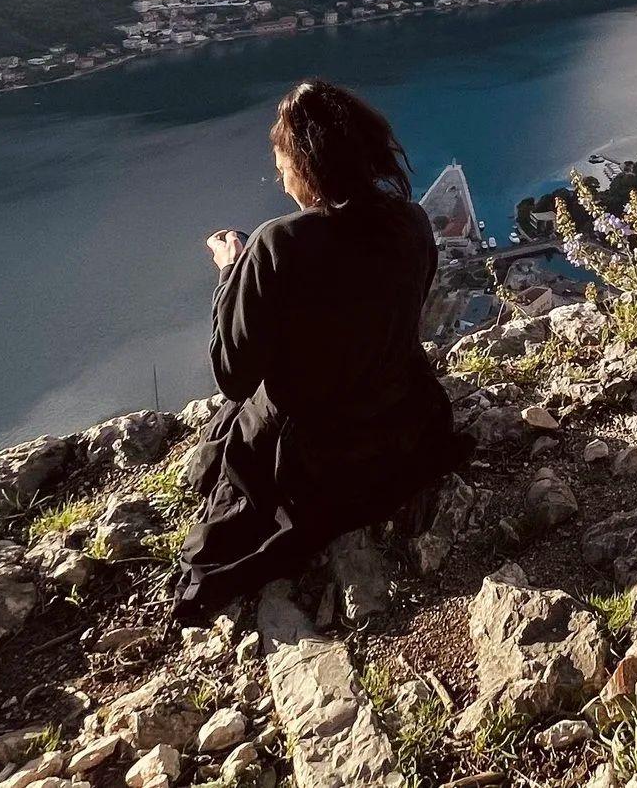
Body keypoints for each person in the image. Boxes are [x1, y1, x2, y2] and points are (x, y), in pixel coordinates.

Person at [174, 81, 465, 623]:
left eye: (282, 166)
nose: (282, 183)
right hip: (402, 423)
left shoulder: (276, 245)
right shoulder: (411, 221)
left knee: (234, 433)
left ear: (307, 166)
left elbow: (232, 377)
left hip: (316, 457)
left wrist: (232, 274)